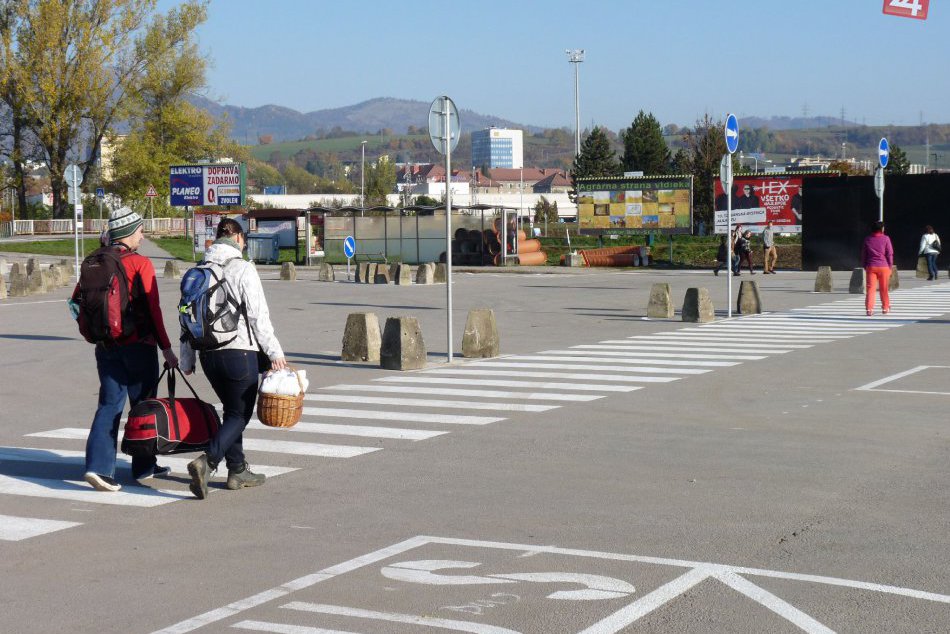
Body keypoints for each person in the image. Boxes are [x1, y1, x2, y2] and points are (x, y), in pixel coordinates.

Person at [182, 218, 288, 500]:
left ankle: (238, 470)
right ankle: (208, 461)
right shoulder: (243, 269)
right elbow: (258, 316)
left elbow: (186, 316)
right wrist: (275, 353)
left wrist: (187, 357)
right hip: (239, 353)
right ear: (238, 238)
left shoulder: (199, 270)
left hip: (208, 355)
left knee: (231, 413)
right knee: (239, 414)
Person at [78, 207, 178, 492]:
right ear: (127, 234)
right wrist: (167, 348)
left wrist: (95, 330)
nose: (142, 236)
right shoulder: (140, 263)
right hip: (138, 345)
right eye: (139, 231)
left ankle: (98, 468)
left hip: (105, 346)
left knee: (109, 405)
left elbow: (76, 302)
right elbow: (153, 309)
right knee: (144, 406)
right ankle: (144, 467)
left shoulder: (94, 261)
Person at [862, 221, 894, 316]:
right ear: (882, 229)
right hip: (884, 266)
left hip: (871, 266)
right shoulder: (886, 238)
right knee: (884, 288)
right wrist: (890, 266)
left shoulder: (867, 239)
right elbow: (889, 253)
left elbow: (864, 254)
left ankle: (869, 309)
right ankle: (885, 307)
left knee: (871, 289)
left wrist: (865, 265)